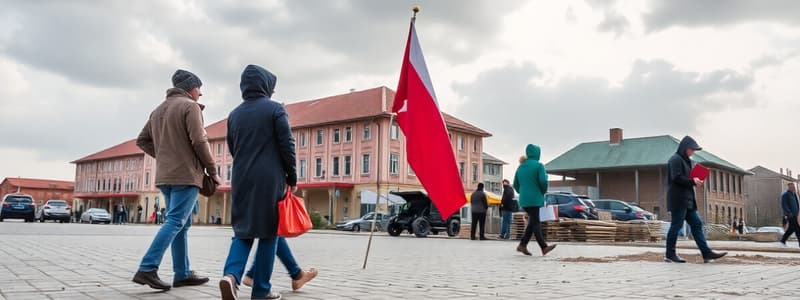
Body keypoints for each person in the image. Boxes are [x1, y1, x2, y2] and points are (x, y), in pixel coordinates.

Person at [219, 65, 317, 300]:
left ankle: (231, 276)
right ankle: (261, 290)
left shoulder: (234, 114)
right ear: (265, 86)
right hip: (269, 178)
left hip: (241, 178)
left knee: (242, 232)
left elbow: (233, 148)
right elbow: (287, 145)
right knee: (269, 233)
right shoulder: (275, 110)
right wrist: (292, 177)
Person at [132, 69, 220, 291]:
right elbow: (200, 141)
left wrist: (164, 155)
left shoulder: (158, 110)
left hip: (165, 176)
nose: (200, 93)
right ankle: (147, 267)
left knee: (182, 222)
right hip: (185, 175)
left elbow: (142, 140)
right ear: (191, 88)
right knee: (176, 221)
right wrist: (212, 170)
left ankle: (182, 273)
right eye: (199, 88)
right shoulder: (189, 106)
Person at [665, 136, 727, 263]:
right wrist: (692, 180)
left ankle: (706, 253)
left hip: (688, 200)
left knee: (697, 224)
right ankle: (669, 254)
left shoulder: (687, 161)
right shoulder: (675, 160)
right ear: (685, 148)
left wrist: (695, 180)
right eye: (692, 149)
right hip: (678, 199)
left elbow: (687, 179)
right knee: (676, 226)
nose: (693, 152)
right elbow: (676, 178)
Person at [514, 144, 557, 256]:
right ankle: (543, 247)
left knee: (532, 222)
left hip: (523, 199)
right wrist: (542, 192)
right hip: (535, 198)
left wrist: (522, 192)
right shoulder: (539, 166)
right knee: (536, 222)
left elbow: (515, 184)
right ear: (538, 153)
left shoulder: (520, 167)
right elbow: (543, 181)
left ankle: (522, 245)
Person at [780, 183, 800, 247]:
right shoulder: (785, 195)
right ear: (788, 187)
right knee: (798, 229)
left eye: (794, 186)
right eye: (791, 186)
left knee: (791, 229)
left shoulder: (794, 195)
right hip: (790, 215)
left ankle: (782, 241)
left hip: (796, 215)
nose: (793, 187)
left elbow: (797, 204)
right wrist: (789, 213)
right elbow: (784, 205)